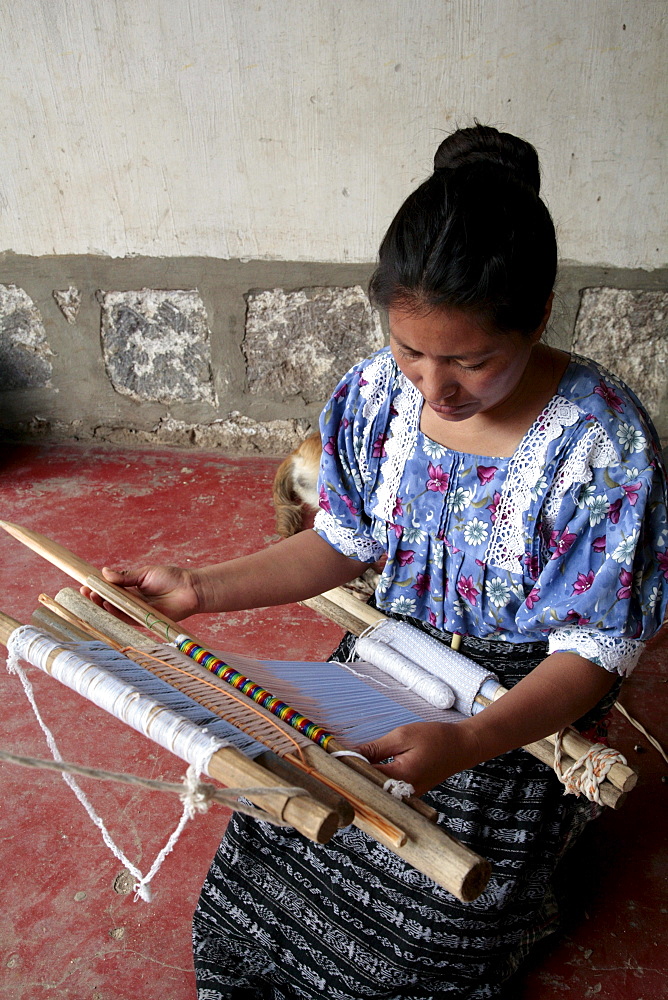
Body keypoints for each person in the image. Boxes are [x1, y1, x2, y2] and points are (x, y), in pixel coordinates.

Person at [88, 125, 668, 999]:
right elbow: (341, 542)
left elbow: (592, 653)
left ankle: (549, 848)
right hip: (390, 662)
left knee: (420, 941)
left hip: (519, 702)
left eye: (473, 361)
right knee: (265, 876)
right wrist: (198, 588)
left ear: (539, 314)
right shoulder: (373, 397)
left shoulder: (603, 447)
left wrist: (470, 740)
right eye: (411, 351)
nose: (434, 388)